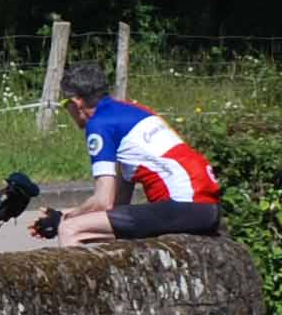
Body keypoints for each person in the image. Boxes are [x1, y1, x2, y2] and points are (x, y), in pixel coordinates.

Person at [43, 62, 223, 242]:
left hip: (181, 206)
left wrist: (66, 220)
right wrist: (63, 214)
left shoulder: (99, 123)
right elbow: (116, 207)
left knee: (70, 230)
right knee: (114, 229)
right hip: (207, 207)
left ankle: (79, 271)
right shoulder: (135, 111)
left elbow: (103, 201)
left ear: (76, 102)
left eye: (64, 103)